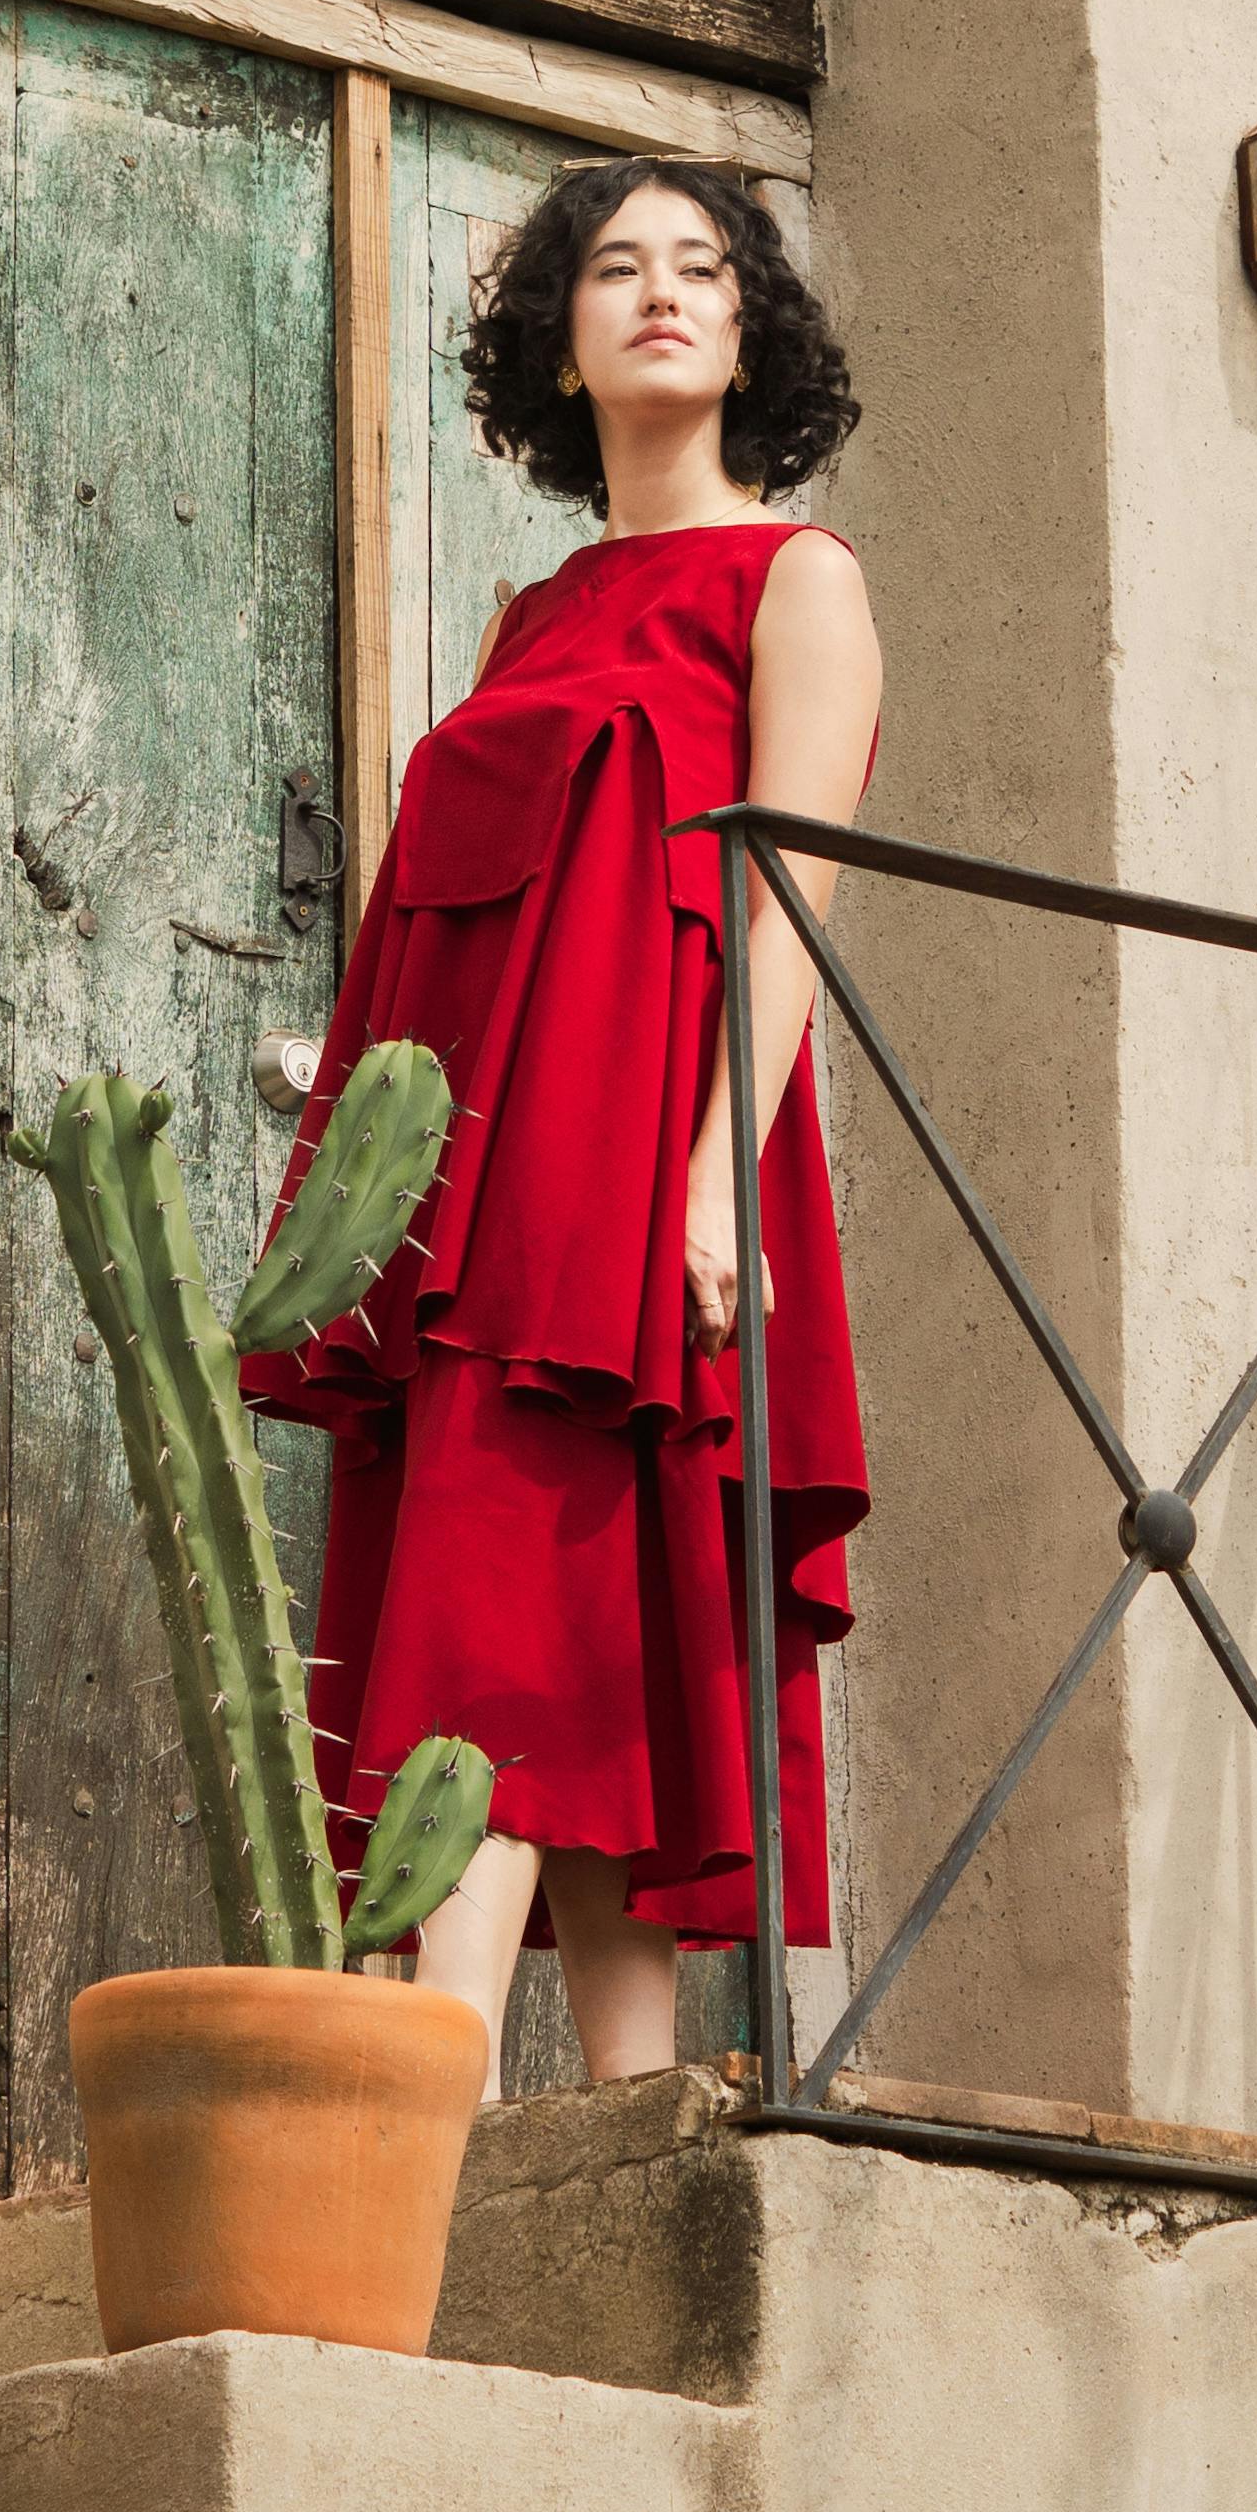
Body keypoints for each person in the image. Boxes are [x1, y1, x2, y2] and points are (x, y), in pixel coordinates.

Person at [240, 158, 882, 2088]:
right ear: (561, 336)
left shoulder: (800, 580)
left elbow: (789, 899)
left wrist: (711, 1181)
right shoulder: (541, 612)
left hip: (653, 1146)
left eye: (703, 267)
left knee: (545, 1592)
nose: (662, 294)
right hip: (491, 1182)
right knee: (558, 1590)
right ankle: (633, 2117)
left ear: (752, 327)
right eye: (616, 269)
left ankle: (405, 2117)